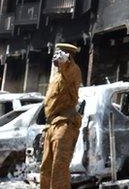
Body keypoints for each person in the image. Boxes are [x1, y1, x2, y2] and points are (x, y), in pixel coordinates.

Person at [41, 43, 83, 189]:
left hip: (64, 124)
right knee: (46, 168)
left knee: (59, 169)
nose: (57, 57)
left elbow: (70, 71)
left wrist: (67, 62)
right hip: (52, 124)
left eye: (61, 54)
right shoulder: (57, 76)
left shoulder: (73, 70)